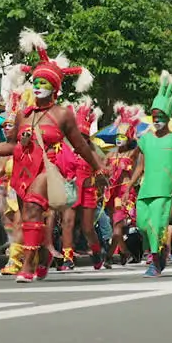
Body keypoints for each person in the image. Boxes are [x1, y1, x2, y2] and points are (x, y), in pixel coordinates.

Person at [0, 31, 105, 283]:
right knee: (28, 219)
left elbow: (81, 146)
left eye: (43, 82)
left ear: (54, 86)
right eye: (35, 81)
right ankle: (44, 256)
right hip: (23, 171)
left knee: (33, 209)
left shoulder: (63, 114)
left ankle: (28, 264)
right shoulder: (23, 114)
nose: (37, 86)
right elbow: (11, 146)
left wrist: (97, 170)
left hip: (48, 170)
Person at [135, 71, 172, 277]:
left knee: (157, 226)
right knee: (142, 225)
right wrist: (127, 188)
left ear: (167, 117)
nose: (156, 120)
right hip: (145, 189)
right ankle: (162, 251)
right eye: (154, 117)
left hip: (165, 189)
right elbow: (139, 166)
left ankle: (155, 262)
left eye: (160, 117)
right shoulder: (146, 139)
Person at [59, 97, 103, 270]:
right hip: (70, 188)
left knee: (87, 228)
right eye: (78, 135)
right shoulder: (64, 147)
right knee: (67, 222)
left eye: (84, 136)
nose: (81, 139)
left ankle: (97, 252)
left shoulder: (92, 151)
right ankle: (67, 258)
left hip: (88, 190)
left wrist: (100, 176)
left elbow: (102, 168)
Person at [103, 102, 144, 266]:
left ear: (128, 139)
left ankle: (109, 256)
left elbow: (141, 146)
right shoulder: (109, 154)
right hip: (112, 193)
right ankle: (124, 253)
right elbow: (101, 170)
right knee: (116, 227)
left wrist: (135, 129)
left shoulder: (132, 153)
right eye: (118, 136)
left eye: (123, 137)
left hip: (125, 193)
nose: (119, 139)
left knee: (118, 227)